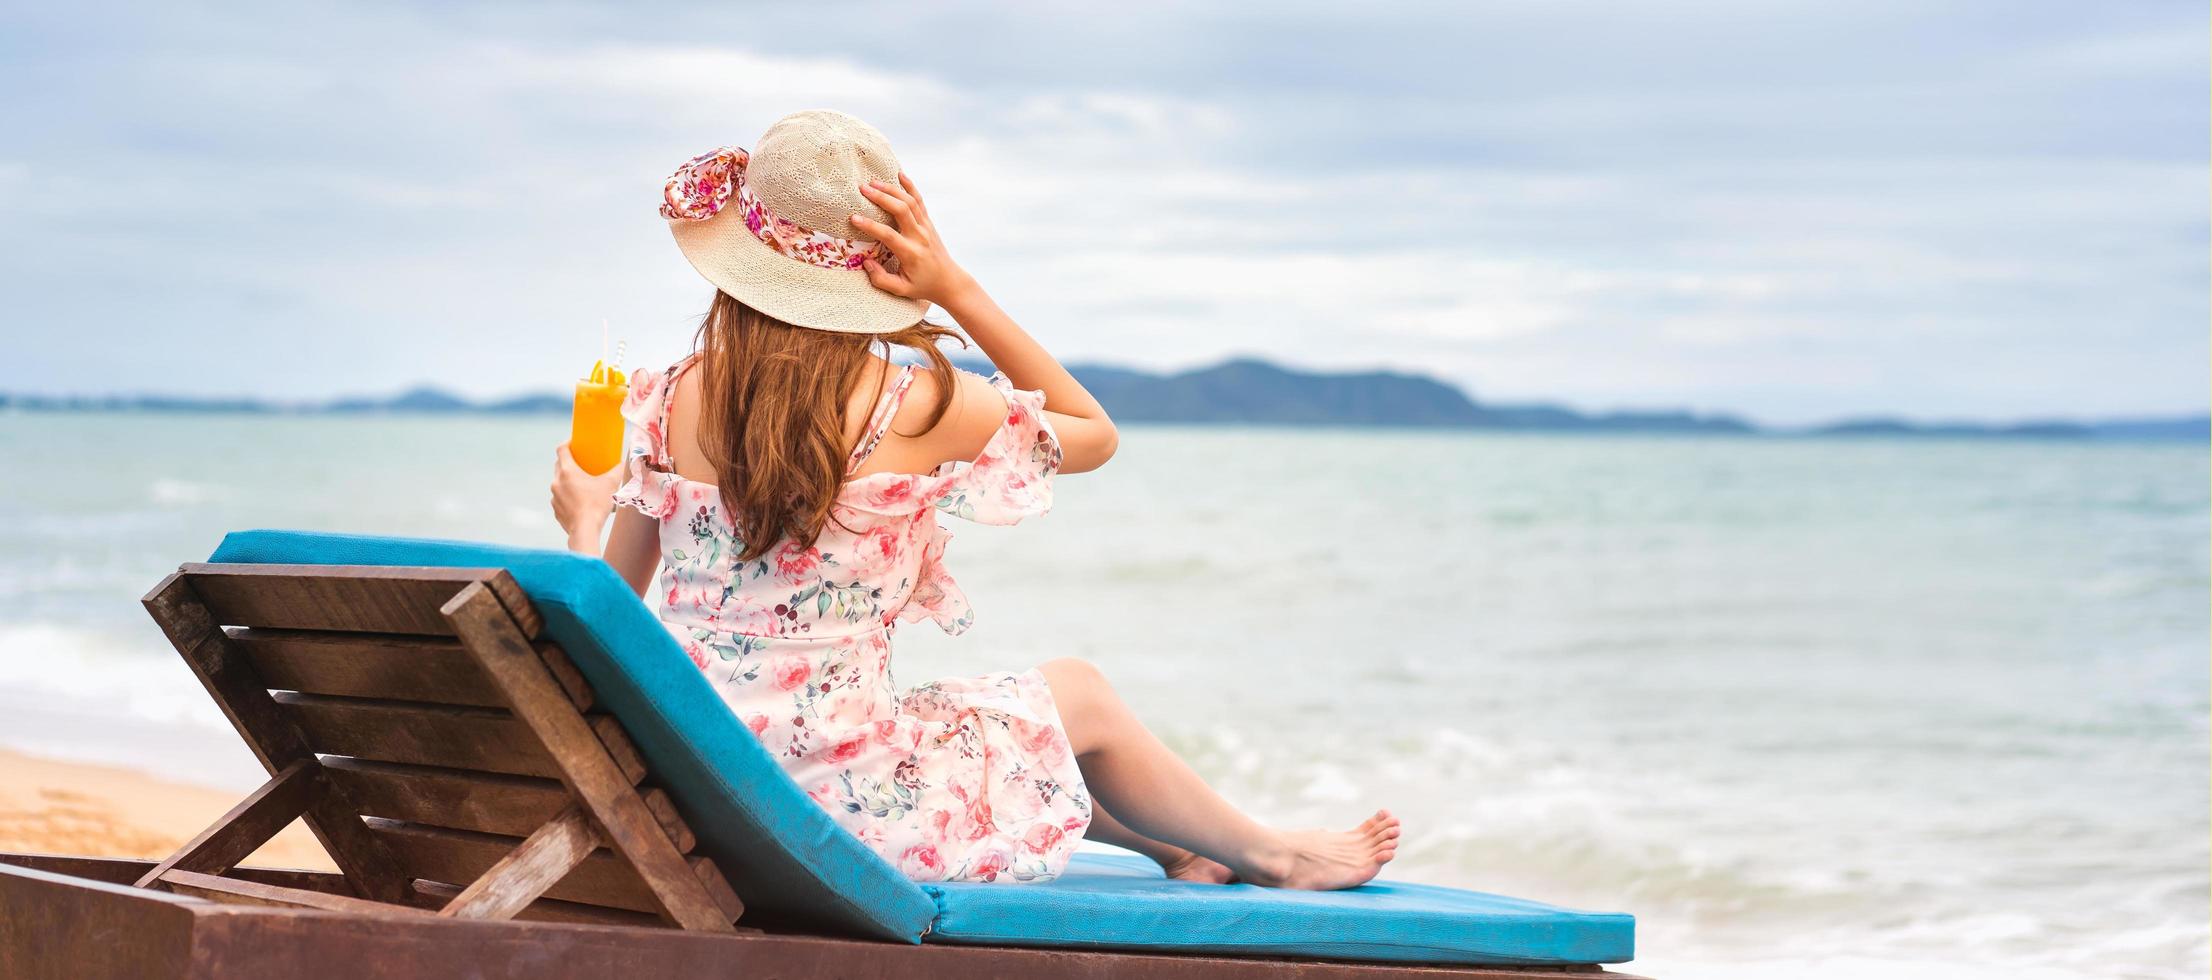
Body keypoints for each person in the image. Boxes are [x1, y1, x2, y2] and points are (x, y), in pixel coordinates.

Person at [551, 109, 1398, 888]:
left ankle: (1178, 845)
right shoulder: (915, 404)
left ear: (739, 263)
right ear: (876, 268)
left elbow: (608, 624)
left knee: (965, 724)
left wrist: (587, 521)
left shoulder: (670, 398)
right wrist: (955, 285)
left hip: (702, 784)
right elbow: (1091, 432)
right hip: (838, 819)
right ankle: (1271, 853)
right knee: (1079, 692)